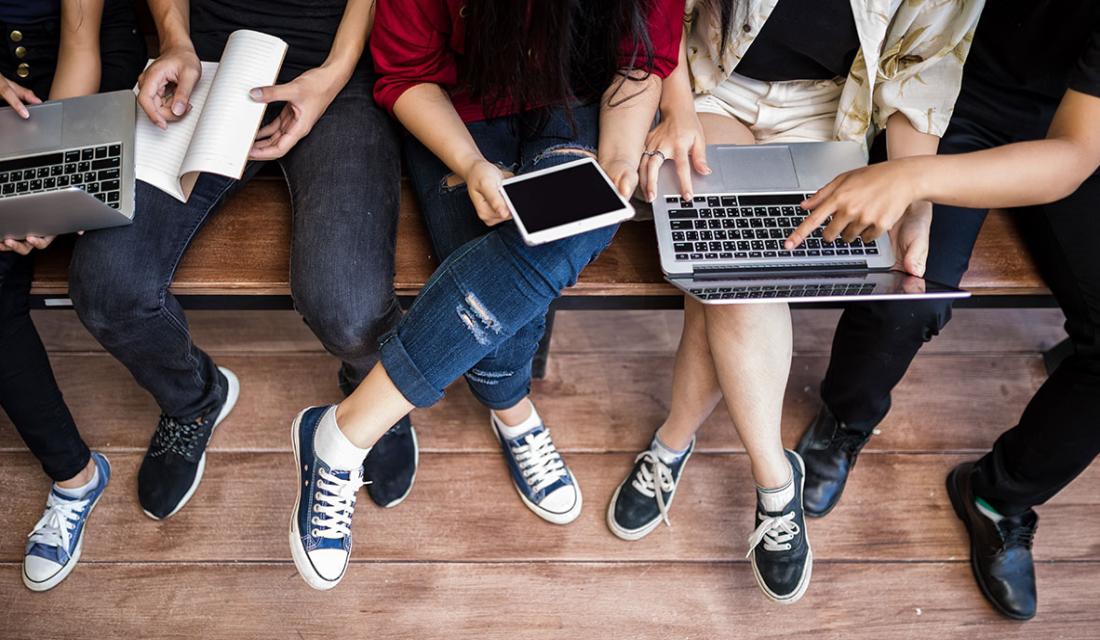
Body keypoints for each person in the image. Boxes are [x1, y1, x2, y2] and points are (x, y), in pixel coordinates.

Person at [285, 0, 683, 591]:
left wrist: (620, 157)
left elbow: (641, 57)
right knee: (493, 311)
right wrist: (471, 165)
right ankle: (512, 411)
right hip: (455, 111)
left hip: (578, 100)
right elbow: (407, 73)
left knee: (576, 225)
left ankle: (345, 434)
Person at [606, 0, 983, 604]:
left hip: (831, 110)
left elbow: (921, 67)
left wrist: (917, 201)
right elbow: (662, 10)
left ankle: (673, 441)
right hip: (711, 85)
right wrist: (676, 107)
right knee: (731, 264)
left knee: (727, 278)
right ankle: (776, 481)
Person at [787, 1, 1100, 620]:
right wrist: (911, 175)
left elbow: (1073, 154)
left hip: (1071, 130)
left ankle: (998, 499)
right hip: (947, 88)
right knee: (908, 291)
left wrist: (914, 182)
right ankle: (846, 420)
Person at [67, 0, 418, 521]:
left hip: (337, 67)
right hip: (213, 56)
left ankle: (376, 399)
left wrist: (333, 74)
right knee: (106, 286)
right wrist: (176, 41)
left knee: (349, 309)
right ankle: (194, 400)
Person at [0, 0, 144, 591]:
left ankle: (74, 481)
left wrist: (41, 190)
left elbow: (80, 47)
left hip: (82, 68)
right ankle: (77, 474)